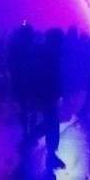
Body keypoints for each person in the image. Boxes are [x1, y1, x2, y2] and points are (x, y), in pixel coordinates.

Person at [34, 29, 66, 170]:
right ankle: (50, 153)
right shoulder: (52, 54)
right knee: (52, 122)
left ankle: (49, 150)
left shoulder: (44, 52)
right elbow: (54, 75)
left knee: (50, 122)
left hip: (47, 93)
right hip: (48, 93)